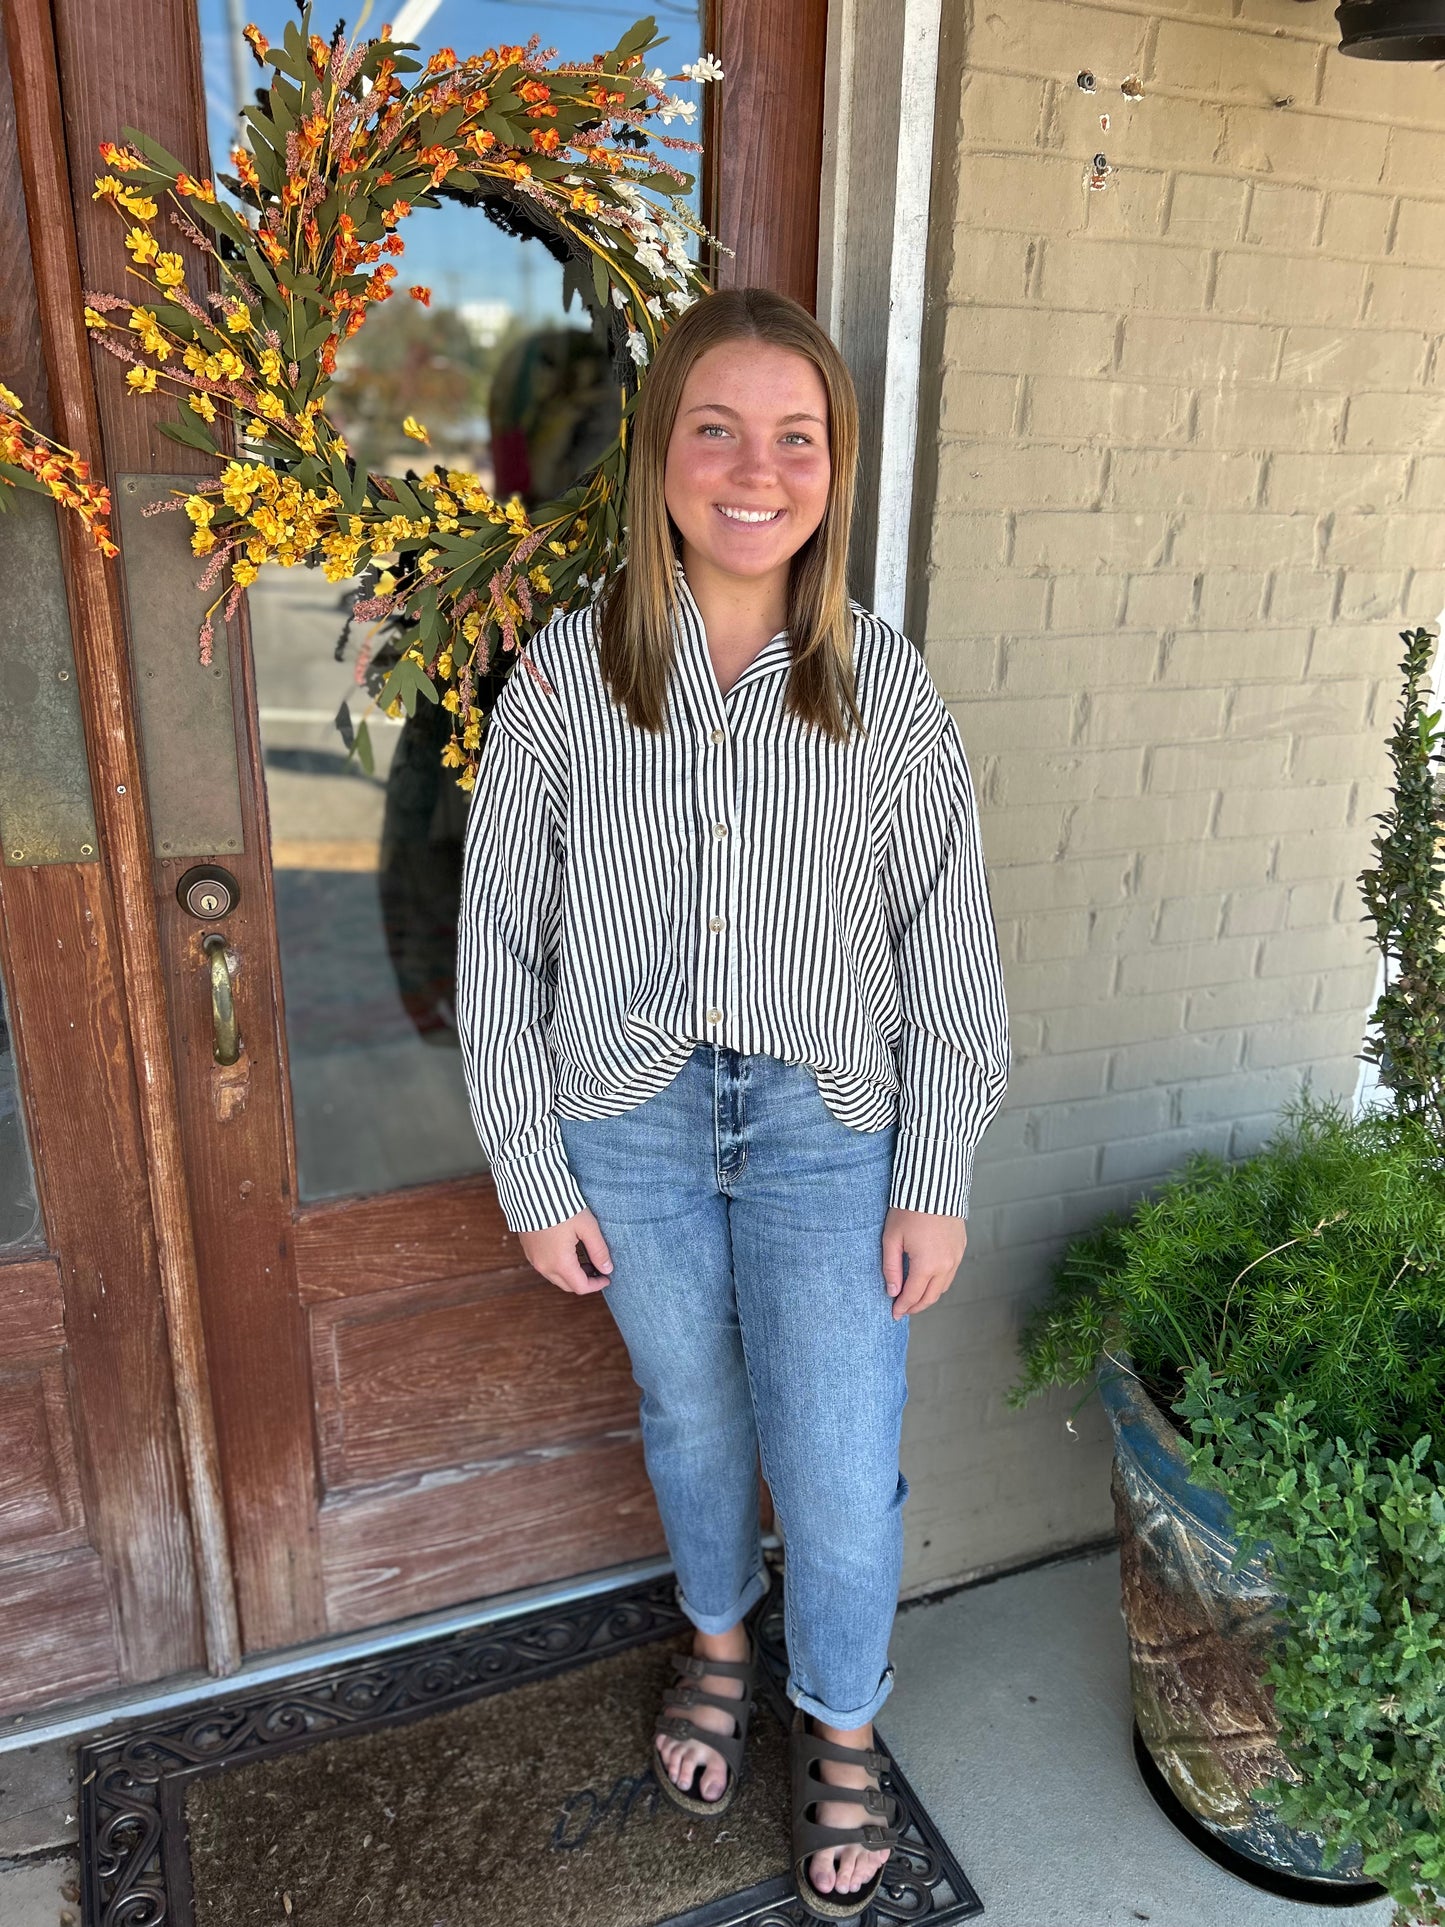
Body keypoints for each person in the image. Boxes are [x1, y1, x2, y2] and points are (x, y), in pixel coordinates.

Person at [456, 285, 1010, 1921]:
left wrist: (938, 1170)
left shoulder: (880, 691)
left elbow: (949, 939)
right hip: (620, 1124)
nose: (753, 470)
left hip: (828, 1128)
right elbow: (496, 933)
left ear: (832, 468)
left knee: (837, 1459)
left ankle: (838, 1721)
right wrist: (526, 1165)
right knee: (690, 1417)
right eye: (717, 428)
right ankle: (715, 1640)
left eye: (794, 436)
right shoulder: (566, 679)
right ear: (660, 455)